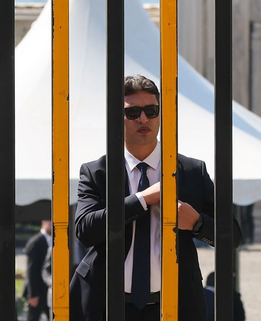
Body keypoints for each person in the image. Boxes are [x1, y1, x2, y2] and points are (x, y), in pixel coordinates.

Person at [70, 75, 241, 321]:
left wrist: (197, 223)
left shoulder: (191, 171)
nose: (143, 119)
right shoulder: (97, 171)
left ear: (161, 114)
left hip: (174, 305)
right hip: (105, 304)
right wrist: (142, 199)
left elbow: (232, 235)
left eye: (151, 110)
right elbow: (85, 230)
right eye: (133, 113)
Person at [24, 220, 53, 321]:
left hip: (49, 289)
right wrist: (33, 294)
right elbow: (31, 270)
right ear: (43, 223)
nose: (51, 225)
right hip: (37, 290)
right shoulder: (35, 242)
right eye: (49, 222)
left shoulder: (54, 239)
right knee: (33, 317)